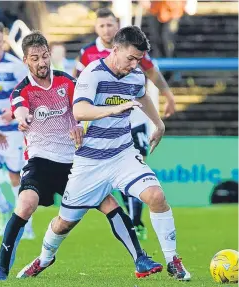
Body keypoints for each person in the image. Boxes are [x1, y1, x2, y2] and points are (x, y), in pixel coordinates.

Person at [18, 26, 191, 281]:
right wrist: (113, 109)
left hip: (122, 154)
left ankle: (172, 260)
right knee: (64, 222)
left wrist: (159, 124)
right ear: (116, 49)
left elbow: (142, 96)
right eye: (130, 58)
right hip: (89, 162)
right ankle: (44, 258)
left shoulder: (135, 75)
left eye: (138, 60)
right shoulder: (93, 73)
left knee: (156, 196)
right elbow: (80, 111)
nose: (134, 65)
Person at [72, 8, 176, 240]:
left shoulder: (133, 52)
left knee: (136, 165)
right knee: (70, 213)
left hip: (131, 119)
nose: (106, 29)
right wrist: (75, 120)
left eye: (110, 25)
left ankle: (136, 221)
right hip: (97, 125)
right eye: (102, 26)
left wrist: (167, 98)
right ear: (97, 28)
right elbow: (75, 87)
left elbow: (149, 78)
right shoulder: (88, 55)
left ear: (116, 25)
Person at [0, 20, 34, 239]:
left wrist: (13, 111)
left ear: (4, 41)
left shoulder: (15, 66)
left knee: (15, 176)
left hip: (11, 131)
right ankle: (4, 206)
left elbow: (28, 94)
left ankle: (25, 224)